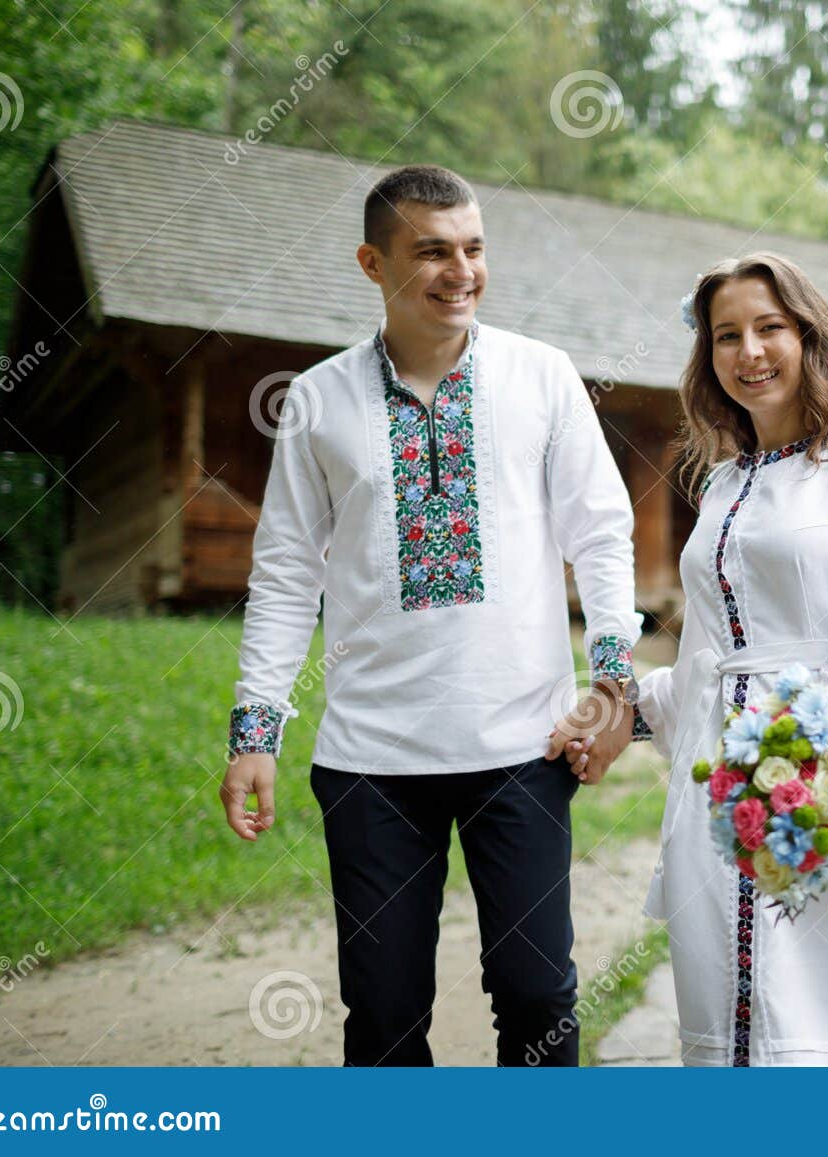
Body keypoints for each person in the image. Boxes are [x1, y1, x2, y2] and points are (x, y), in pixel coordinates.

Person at [220, 164, 642, 1067]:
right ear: (373, 262)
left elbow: (602, 533)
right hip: (371, 759)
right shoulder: (318, 400)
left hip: (524, 745)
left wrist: (613, 682)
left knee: (538, 998)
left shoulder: (543, 375)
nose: (462, 271)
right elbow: (288, 571)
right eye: (433, 252)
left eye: (475, 248)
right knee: (381, 1017)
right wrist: (255, 731)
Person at [561, 252, 828, 1065]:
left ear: (809, 335)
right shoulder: (723, 484)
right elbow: (712, 659)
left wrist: (824, 778)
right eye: (726, 335)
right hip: (724, 805)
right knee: (727, 1036)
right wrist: (625, 708)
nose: (750, 352)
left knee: (822, 1038)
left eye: (770, 327)